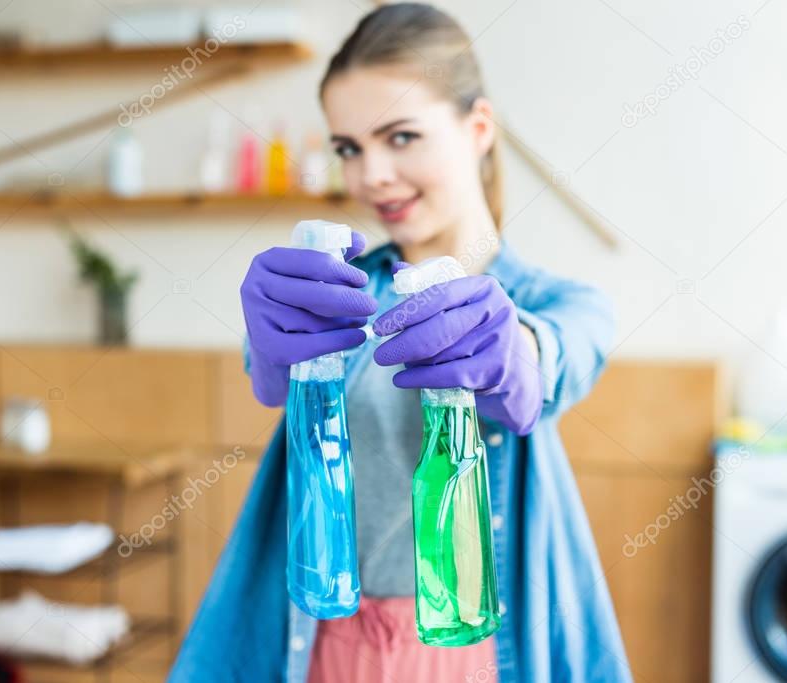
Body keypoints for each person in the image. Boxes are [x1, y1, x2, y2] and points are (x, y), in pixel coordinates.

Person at [169, 4, 631, 682]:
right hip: (326, 646)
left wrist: (516, 356)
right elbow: (266, 369)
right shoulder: (340, 297)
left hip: (471, 652)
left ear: (477, 129)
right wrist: (270, 349)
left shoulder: (554, 304)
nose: (371, 175)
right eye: (349, 147)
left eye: (401, 136)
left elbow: (558, 354)